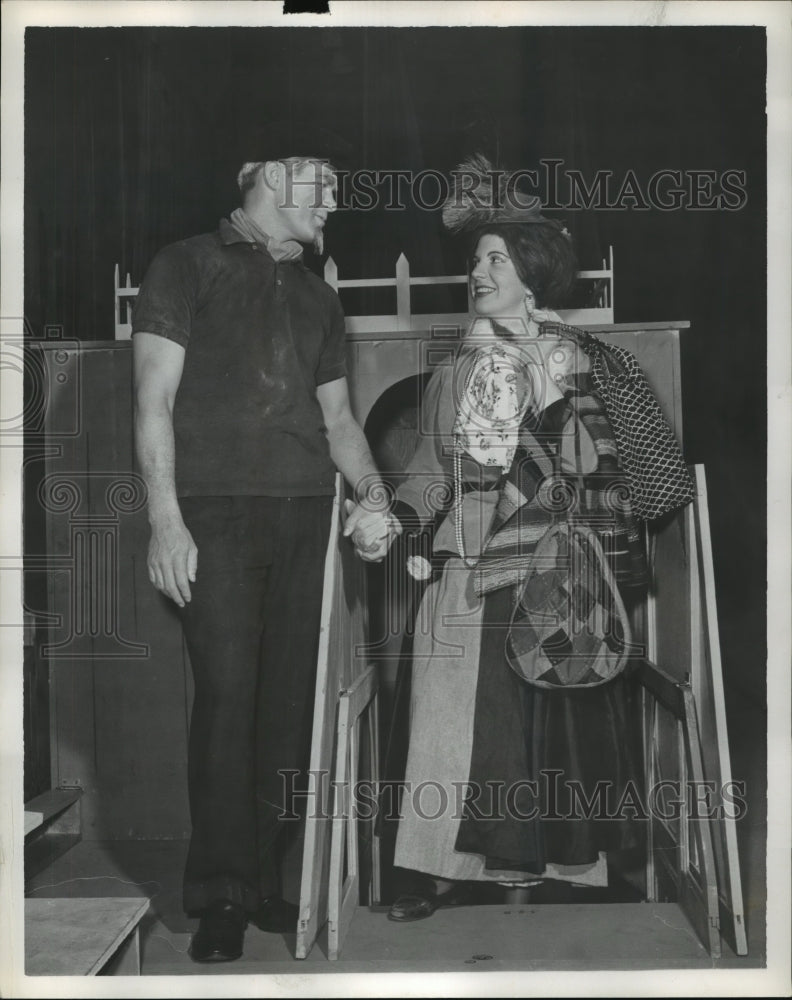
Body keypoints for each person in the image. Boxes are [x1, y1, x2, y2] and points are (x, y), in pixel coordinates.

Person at [383, 155, 692, 921]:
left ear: (531, 274)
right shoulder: (455, 369)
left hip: (557, 566)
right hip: (469, 564)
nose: (480, 271)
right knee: (448, 715)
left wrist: (551, 398)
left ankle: (564, 870)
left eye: (497, 258)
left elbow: (605, 468)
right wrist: (393, 516)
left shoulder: (579, 360)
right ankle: (435, 872)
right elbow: (431, 469)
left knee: (561, 712)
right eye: (476, 259)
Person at [132, 131, 398, 963]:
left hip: (302, 518)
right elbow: (153, 399)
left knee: (288, 706)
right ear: (272, 184)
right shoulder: (184, 265)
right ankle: (219, 895)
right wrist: (166, 518)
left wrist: (376, 499)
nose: (331, 204)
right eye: (321, 189)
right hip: (212, 516)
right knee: (226, 703)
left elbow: (339, 423)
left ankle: (271, 880)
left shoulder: (320, 295)